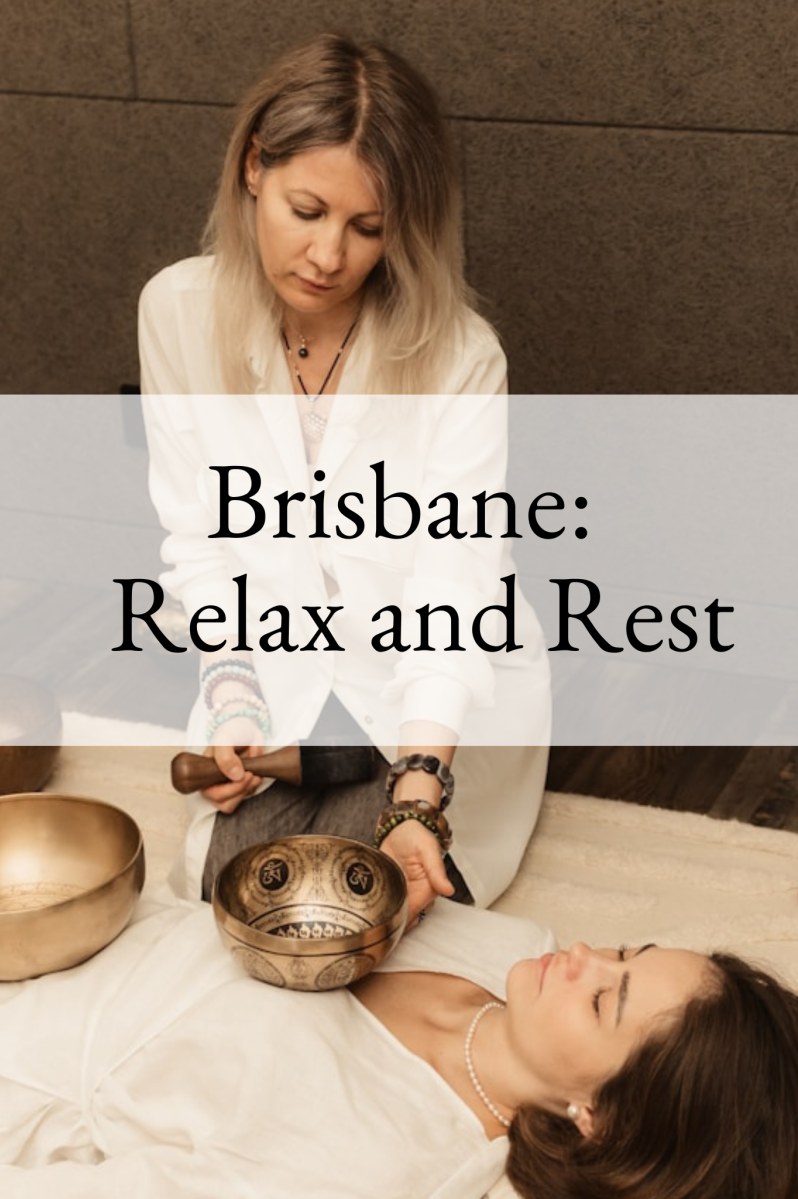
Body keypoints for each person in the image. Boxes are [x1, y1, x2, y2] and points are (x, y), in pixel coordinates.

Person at [138, 32, 550, 915]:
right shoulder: (174, 310)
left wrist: (420, 792)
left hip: (431, 687)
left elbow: (456, 585)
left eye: (368, 228)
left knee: (378, 909)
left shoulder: (461, 358)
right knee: (231, 902)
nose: (329, 255)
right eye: (307, 209)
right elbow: (199, 540)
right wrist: (233, 698)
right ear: (254, 167)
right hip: (276, 672)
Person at [0, 896, 797, 1198]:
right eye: (626, 950)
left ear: (601, 1119)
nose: (586, 953)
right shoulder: (512, 945)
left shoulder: (372, 1164)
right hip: (89, 909)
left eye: (602, 996)